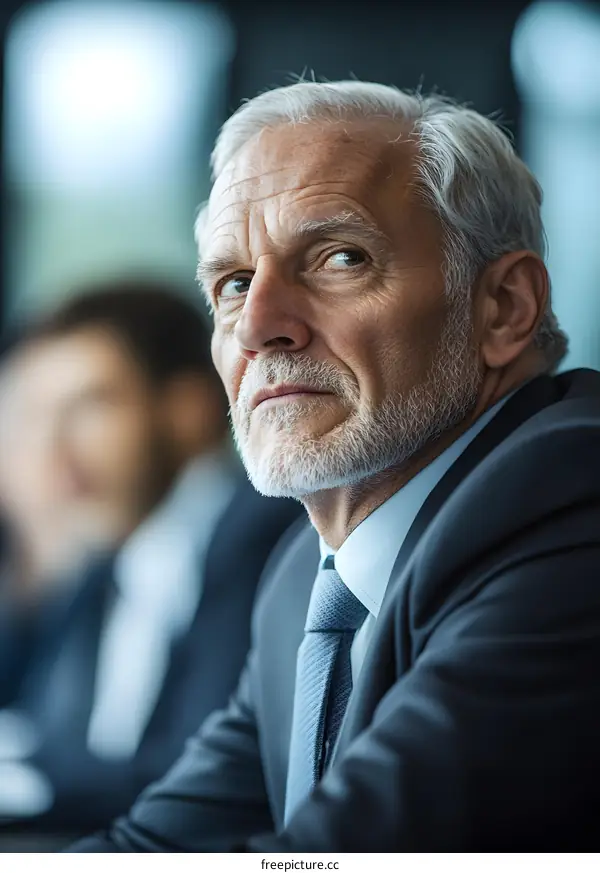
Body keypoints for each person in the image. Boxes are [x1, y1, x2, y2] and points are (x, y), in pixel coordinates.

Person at [68, 79, 600, 852]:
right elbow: (155, 847)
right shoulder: (304, 579)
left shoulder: (566, 505)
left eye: (338, 258)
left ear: (504, 307)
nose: (257, 327)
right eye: (233, 284)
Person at [0, 279, 302, 834]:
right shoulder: (107, 562)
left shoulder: (267, 542)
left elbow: (203, 778)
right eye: (37, 417)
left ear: (186, 410)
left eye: (90, 406)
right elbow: (48, 731)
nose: (54, 450)